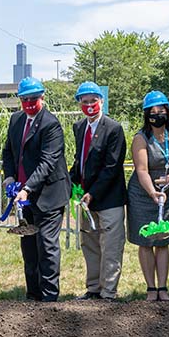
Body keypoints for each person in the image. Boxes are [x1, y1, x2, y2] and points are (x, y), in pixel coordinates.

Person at [2, 77, 71, 302]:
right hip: (25, 197)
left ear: (42, 97)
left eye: (33, 98)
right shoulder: (16, 120)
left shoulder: (51, 124)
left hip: (49, 195)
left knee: (46, 245)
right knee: (29, 246)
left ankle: (49, 298)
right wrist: (10, 176)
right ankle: (33, 296)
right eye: (25, 99)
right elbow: (8, 152)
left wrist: (28, 189)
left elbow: (47, 162)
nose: (29, 102)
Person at [127, 91, 169, 301]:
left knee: (163, 241)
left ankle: (163, 287)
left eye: (161, 110)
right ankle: (151, 288)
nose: (157, 114)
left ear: (168, 112)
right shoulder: (140, 138)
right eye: (152, 112)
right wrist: (152, 192)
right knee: (146, 241)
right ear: (146, 114)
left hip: (167, 192)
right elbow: (142, 170)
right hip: (143, 194)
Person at [69, 81, 127, 301]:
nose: (90, 105)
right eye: (85, 102)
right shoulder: (79, 127)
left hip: (108, 198)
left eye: (94, 100)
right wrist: (73, 183)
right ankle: (93, 289)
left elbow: (112, 166)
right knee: (89, 244)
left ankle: (109, 292)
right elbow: (80, 160)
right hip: (86, 199)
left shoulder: (113, 128)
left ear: (102, 101)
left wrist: (92, 192)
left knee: (110, 246)